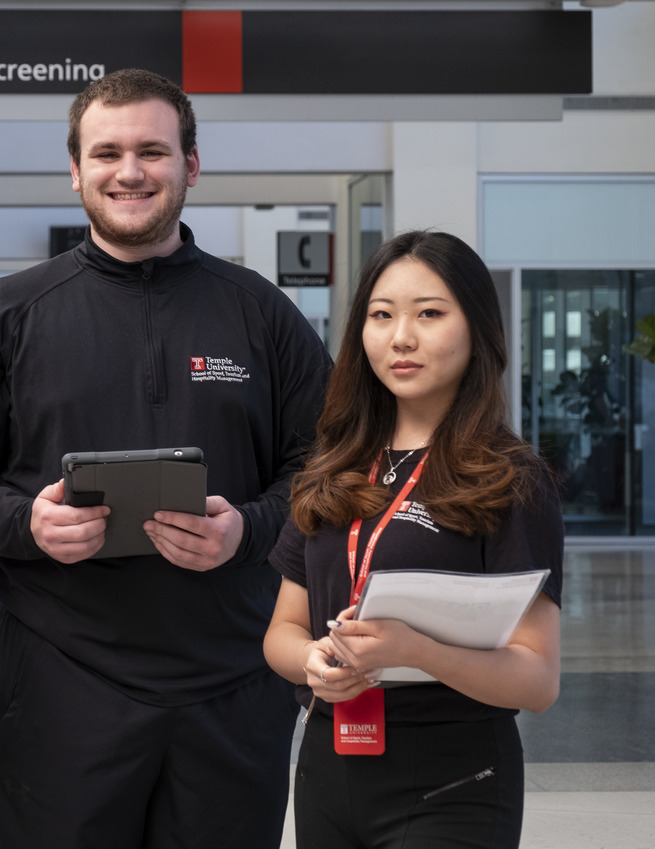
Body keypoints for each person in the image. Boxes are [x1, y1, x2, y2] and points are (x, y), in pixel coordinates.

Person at [0, 68, 332, 849]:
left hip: (231, 683)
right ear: (75, 170)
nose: (130, 171)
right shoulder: (9, 313)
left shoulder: (260, 314)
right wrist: (23, 522)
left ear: (191, 166)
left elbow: (324, 467)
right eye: (106, 152)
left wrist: (246, 529)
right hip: (58, 684)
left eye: (152, 150)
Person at [263, 230, 563, 849]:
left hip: (452, 777)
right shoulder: (332, 465)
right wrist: (315, 664)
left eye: (429, 313)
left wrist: (413, 650)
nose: (401, 337)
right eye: (381, 315)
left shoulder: (509, 476)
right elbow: (282, 633)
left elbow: (537, 680)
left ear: (477, 329)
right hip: (328, 762)